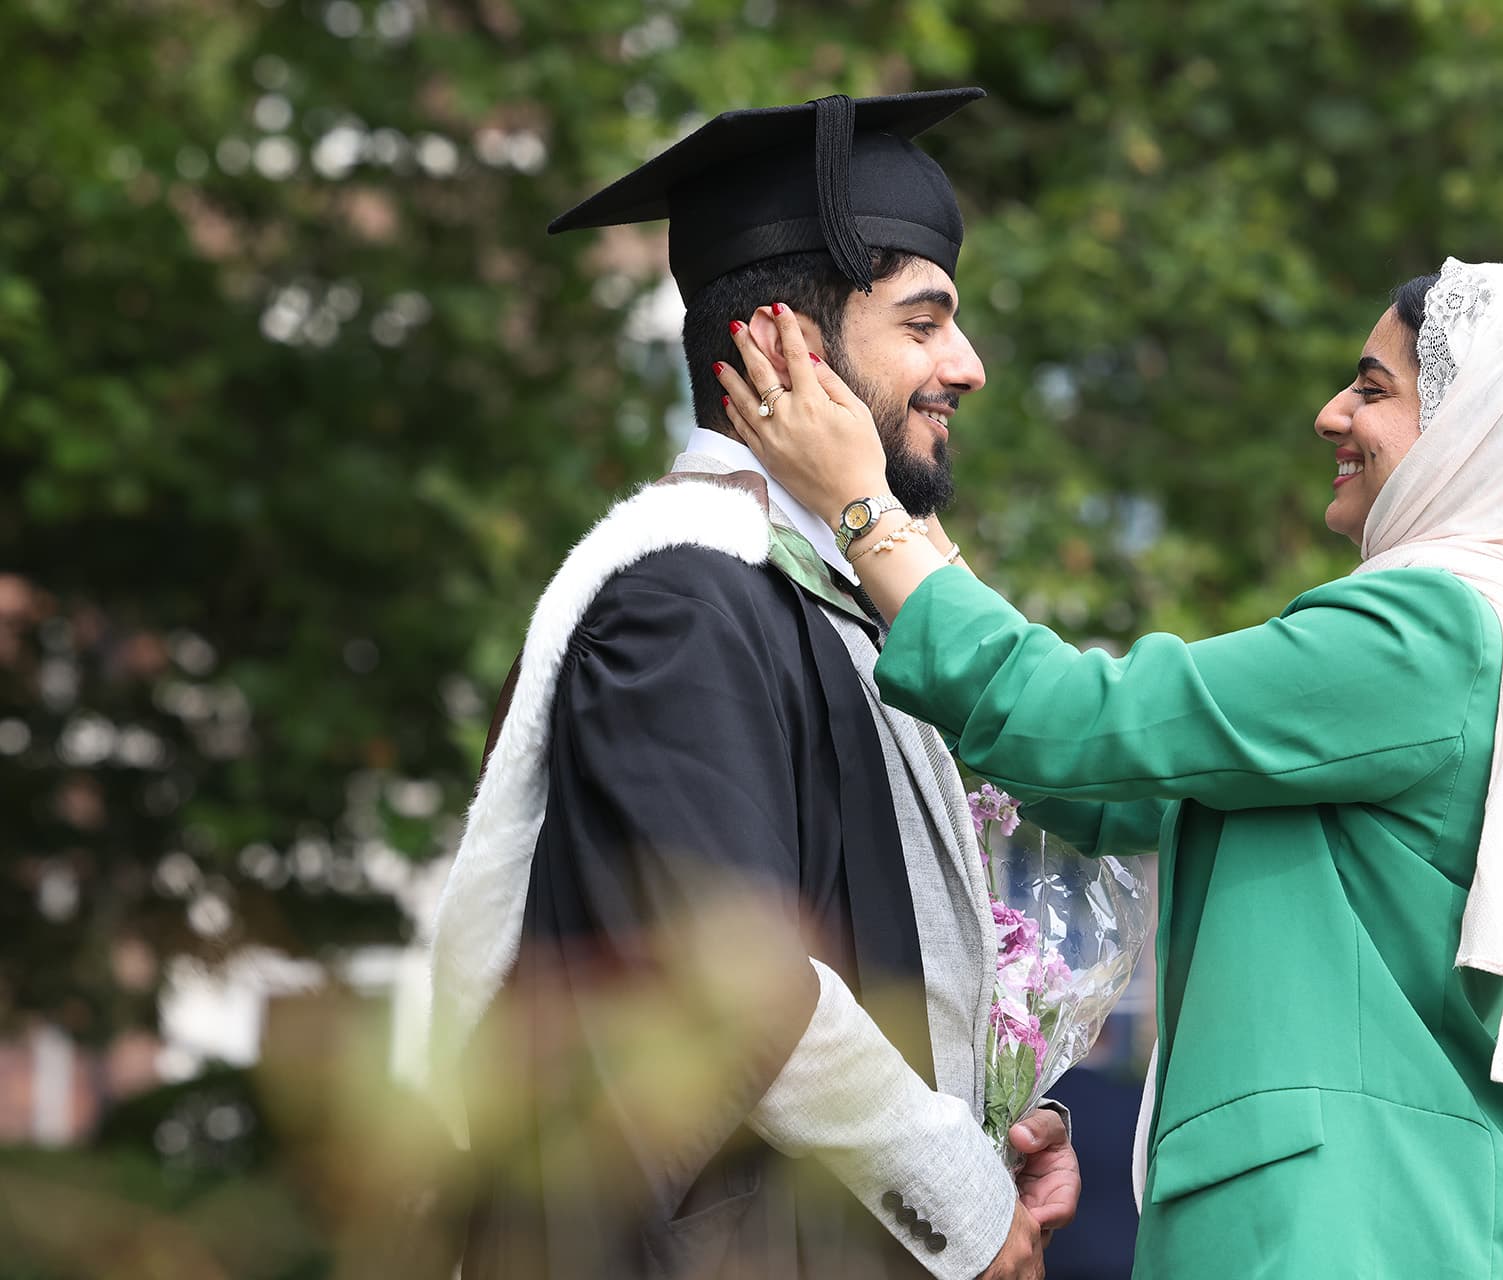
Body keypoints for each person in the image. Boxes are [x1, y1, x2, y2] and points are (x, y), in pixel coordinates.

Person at [717, 257, 1503, 1276]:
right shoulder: (1498, 644)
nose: (1330, 412)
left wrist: (865, 508)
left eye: (1374, 386)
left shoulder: (1430, 630)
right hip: (1406, 1210)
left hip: (1357, 1225)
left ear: (1484, 434)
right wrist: (918, 536)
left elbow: (1083, 721)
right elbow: (1111, 778)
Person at [423, 89, 1078, 1280]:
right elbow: (737, 986)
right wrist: (963, 1205)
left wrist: (996, 1126)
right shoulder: (680, 600)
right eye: (924, 322)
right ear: (785, 342)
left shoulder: (827, 601)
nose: (967, 366)